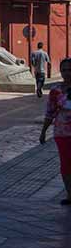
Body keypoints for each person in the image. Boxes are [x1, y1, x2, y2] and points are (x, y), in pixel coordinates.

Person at [40, 57, 71, 205]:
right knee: (65, 164)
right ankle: (70, 194)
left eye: (70, 70)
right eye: (64, 70)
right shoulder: (55, 91)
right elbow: (49, 113)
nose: (67, 73)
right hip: (62, 133)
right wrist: (43, 131)